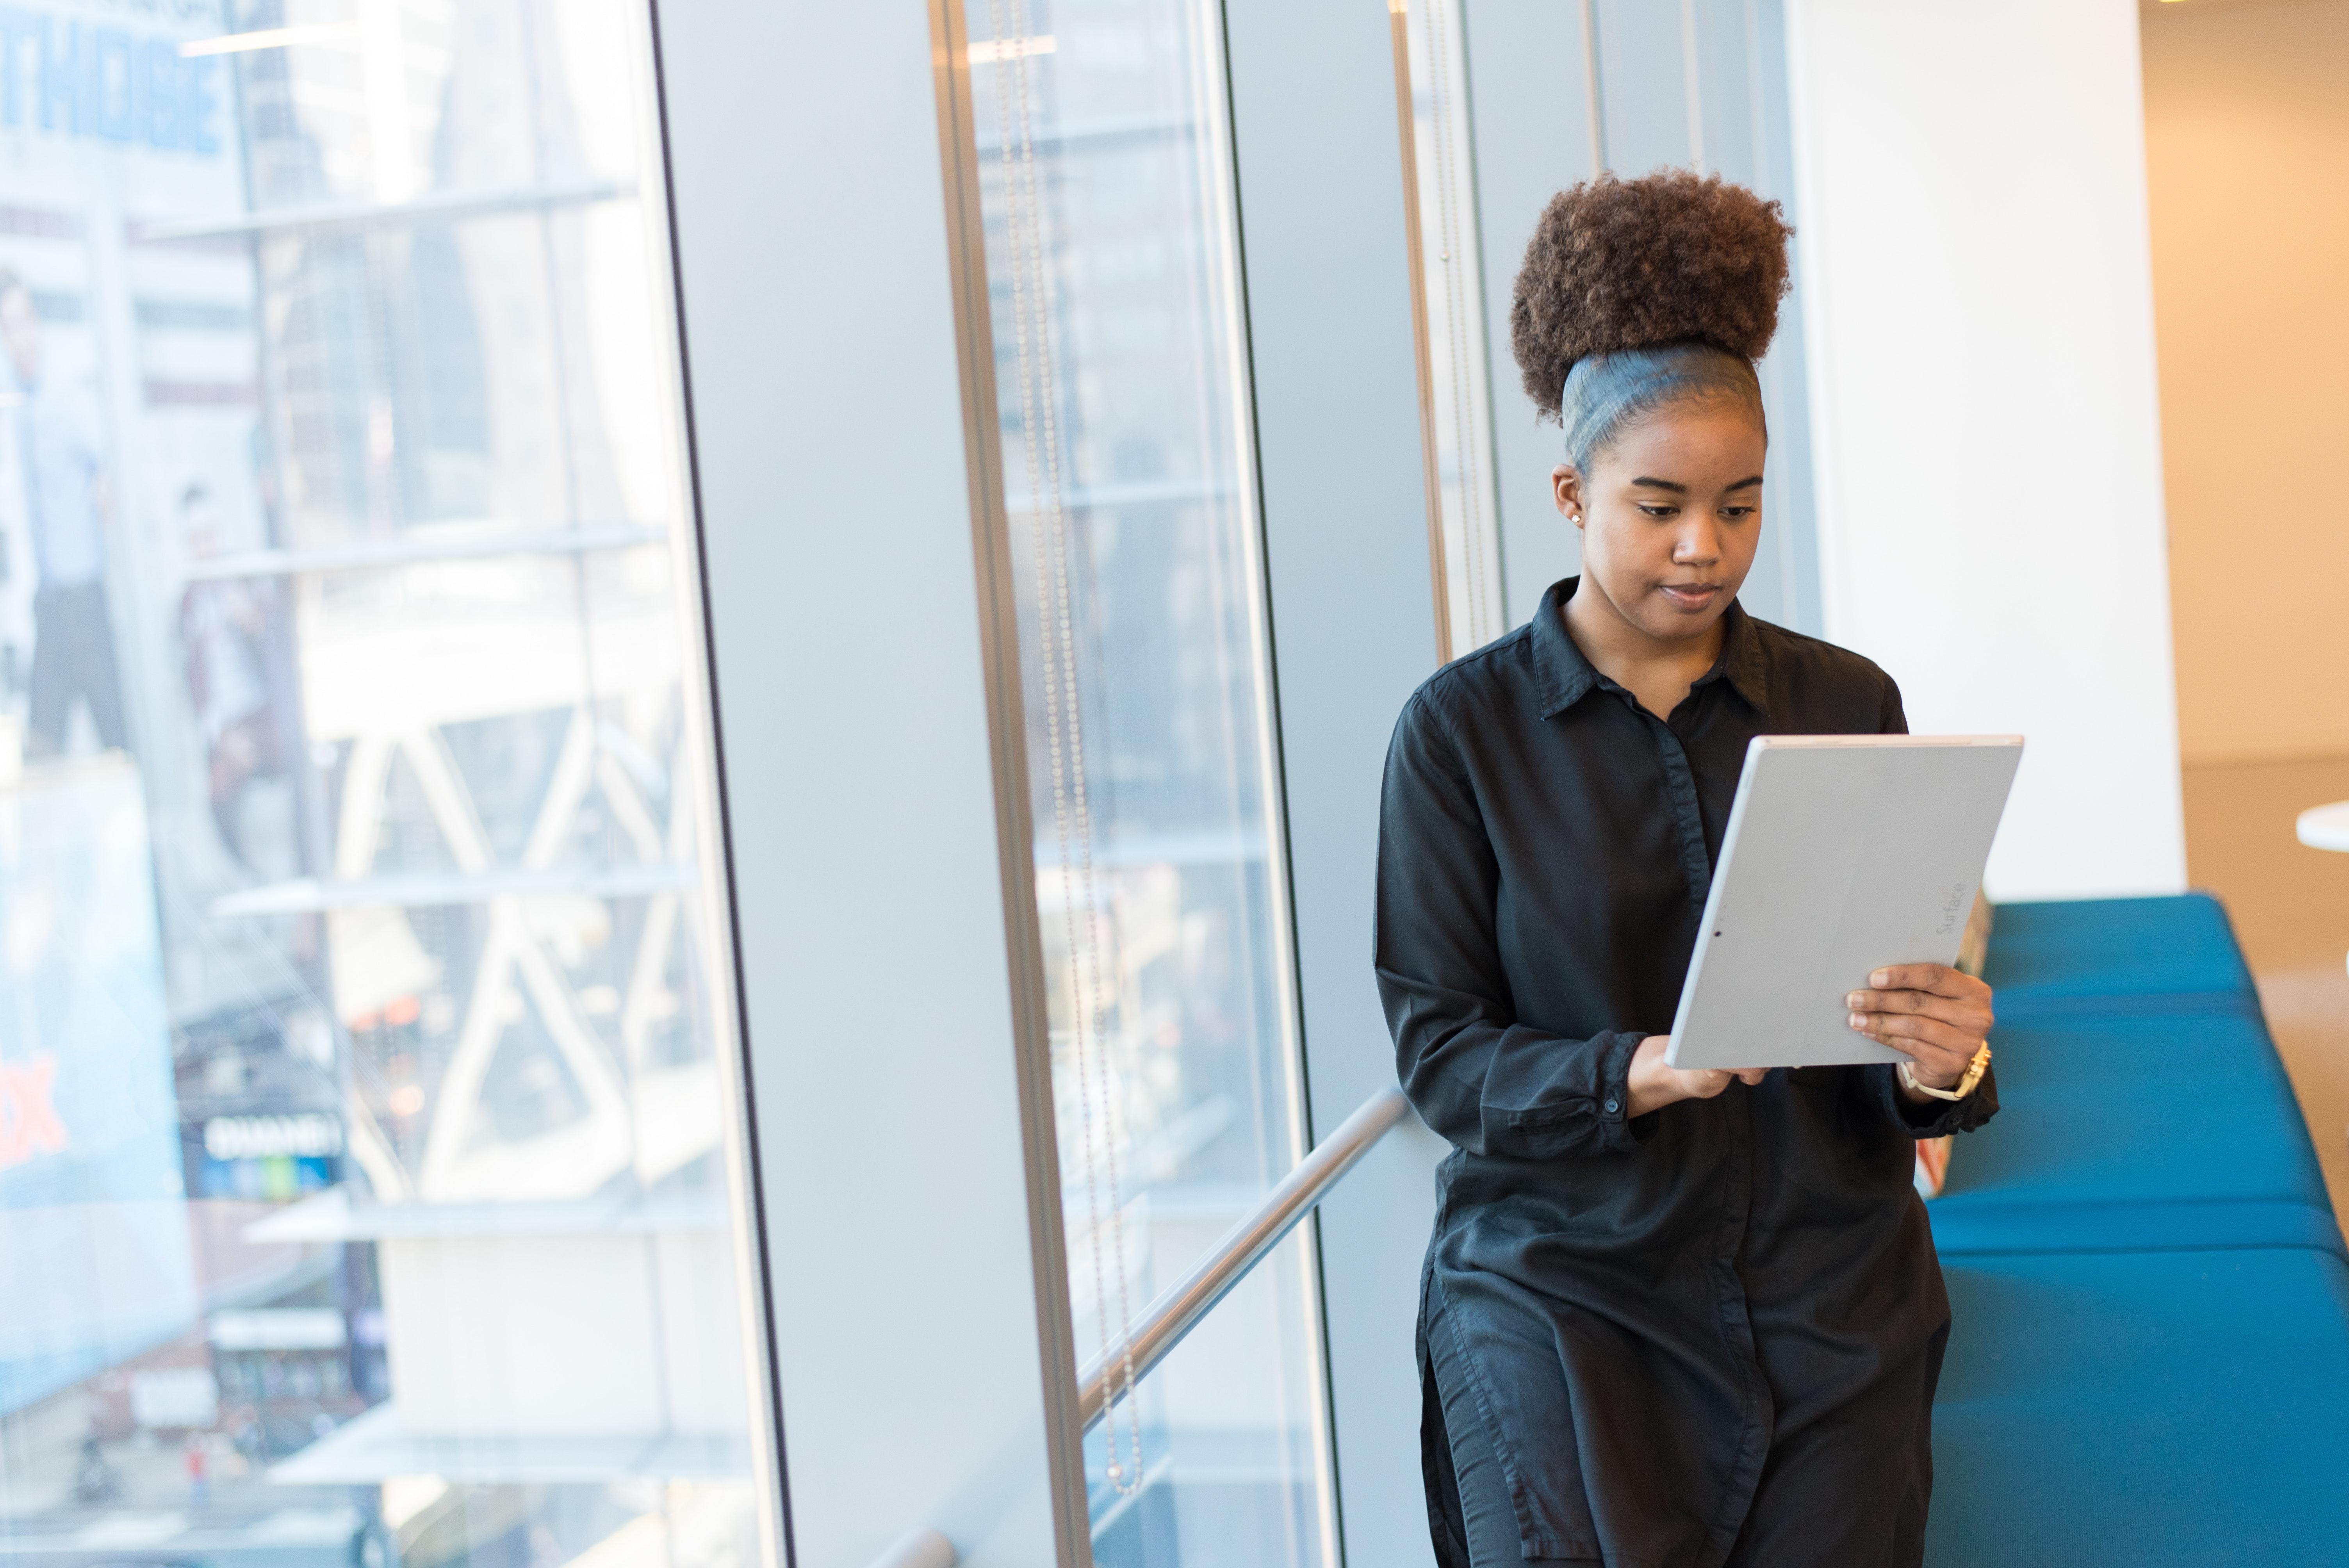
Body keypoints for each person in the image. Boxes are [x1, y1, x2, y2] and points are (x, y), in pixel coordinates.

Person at [1375, 171, 1999, 1568]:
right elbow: (1440, 1059)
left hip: (1824, 1287)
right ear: (1567, 491)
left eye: (1736, 503)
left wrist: (1939, 1060)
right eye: (1656, 504)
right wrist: (1630, 1068)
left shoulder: (1844, 699)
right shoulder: (1457, 737)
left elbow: (1892, 1032)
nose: (1700, 546)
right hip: (1558, 1291)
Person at [1, 268, 128, 757]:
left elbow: (111, 472)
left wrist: (105, 496)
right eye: (8, 327)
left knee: (117, 739)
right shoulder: (19, 408)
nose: (21, 337)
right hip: (50, 602)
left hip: (84, 599)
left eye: (25, 320)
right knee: (41, 748)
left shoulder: (65, 399)